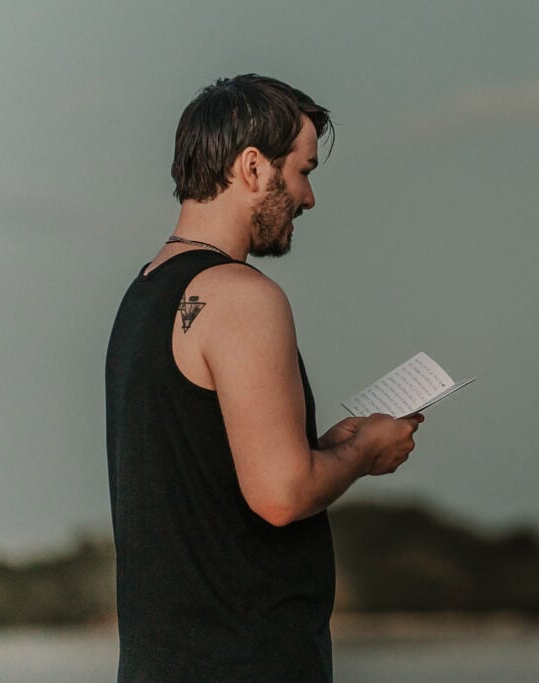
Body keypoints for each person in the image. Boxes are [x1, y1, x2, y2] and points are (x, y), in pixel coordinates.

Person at [105, 74, 423, 682]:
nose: (308, 198)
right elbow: (280, 495)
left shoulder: (142, 295)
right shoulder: (243, 296)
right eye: (302, 171)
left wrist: (326, 448)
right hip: (246, 658)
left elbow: (207, 474)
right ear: (253, 168)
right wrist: (364, 451)